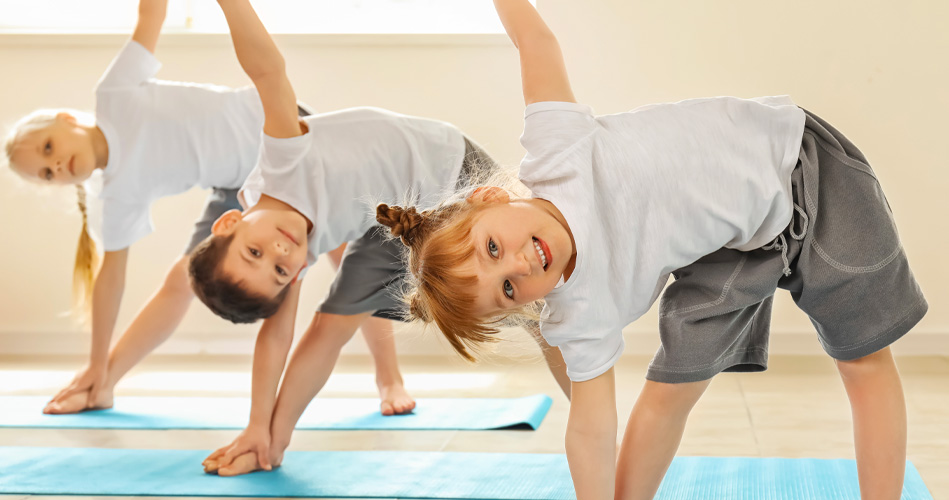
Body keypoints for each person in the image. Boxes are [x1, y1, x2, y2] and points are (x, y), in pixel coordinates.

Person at [378, 0, 928, 498]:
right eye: (507, 289)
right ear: (522, 309)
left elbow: (535, 42)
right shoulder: (579, 317)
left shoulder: (557, 152)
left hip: (800, 165)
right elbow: (591, 429)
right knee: (671, 384)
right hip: (733, 249)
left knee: (863, 359)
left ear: (491, 197)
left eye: (494, 246)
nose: (519, 265)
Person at [194, 0, 570, 477]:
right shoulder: (291, 247)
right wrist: (258, 429)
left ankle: (593, 417)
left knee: (542, 312)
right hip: (389, 219)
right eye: (279, 272)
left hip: (447, 172)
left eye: (256, 251)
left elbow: (268, 72)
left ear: (229, 222)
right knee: (330, 326)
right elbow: (278, 336)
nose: (281, 254)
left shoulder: (280, 164)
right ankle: (274, 446)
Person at [2, 0, 414, 417]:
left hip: (279, 135)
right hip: (235, 183)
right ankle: (105, 383)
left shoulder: (113, 94)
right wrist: (95, 363)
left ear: (66, 120)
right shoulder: (115, 195)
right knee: (181, 280)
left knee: (345, 257)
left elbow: (151, 16)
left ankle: (389, 377)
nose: (54, 164)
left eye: (48, 148)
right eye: (47, 174)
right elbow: (111, 280)